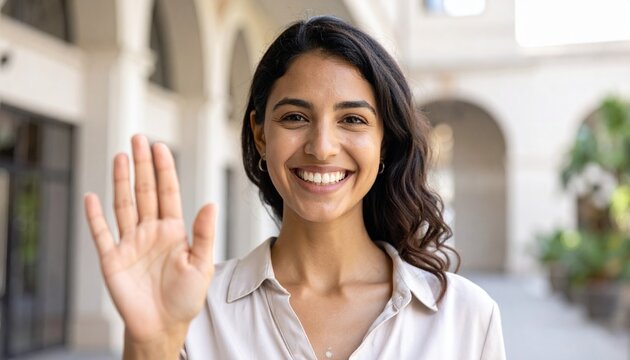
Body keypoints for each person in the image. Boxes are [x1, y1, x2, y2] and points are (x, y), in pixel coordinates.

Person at [84, 16, 506, 360]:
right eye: (294, 118)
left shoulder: (465, 318)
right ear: (260, 134)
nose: (322, 147)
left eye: (353, 120)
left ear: (385, 142)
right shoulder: (195, 308)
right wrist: (150, 344)